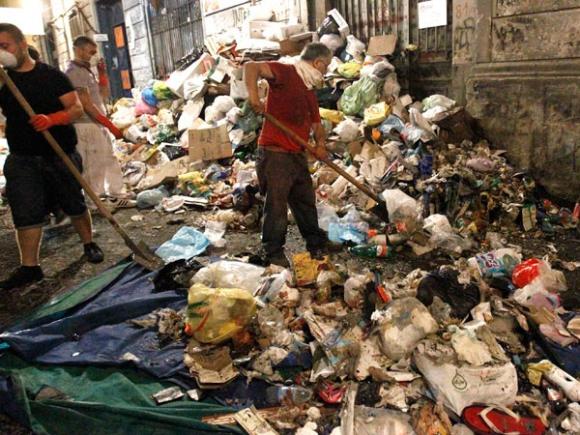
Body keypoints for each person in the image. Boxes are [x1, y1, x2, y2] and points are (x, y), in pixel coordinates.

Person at [0, 23, 104, 290]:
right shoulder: (4, 82)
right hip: (22, 157)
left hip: (59, 153)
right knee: (26, 212)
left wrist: (52, 119)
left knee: (74, 203)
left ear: (22, 44)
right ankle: (30, 267)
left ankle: (88, 243)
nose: (2, 53)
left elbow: (76, 109)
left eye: (4, 46)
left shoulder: (52, 77)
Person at [244, 42, 332, 267]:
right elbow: (251, 67)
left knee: (305, 201)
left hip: (296, 154)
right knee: (276, 206)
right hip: (275, 154)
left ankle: (316, 244)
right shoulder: (286, 72)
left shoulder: (309, 90)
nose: (326, 71)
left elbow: (316, 123)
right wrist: (254, 97)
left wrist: (321, 144)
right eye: (326, 66)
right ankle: (273, 252)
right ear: (318, 63)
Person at [64, 36, 130, 203]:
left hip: (97, 122)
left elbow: (103, 95)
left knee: (108, 158)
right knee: (94, 164)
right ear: (79, 50)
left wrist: (102, 74)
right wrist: (110, 125)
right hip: (86, 124)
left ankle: (117, 193)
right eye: (91, 52)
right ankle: (95, 201)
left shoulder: (86, 70)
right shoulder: (74, 72)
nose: (93, 56)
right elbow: (86, 104)